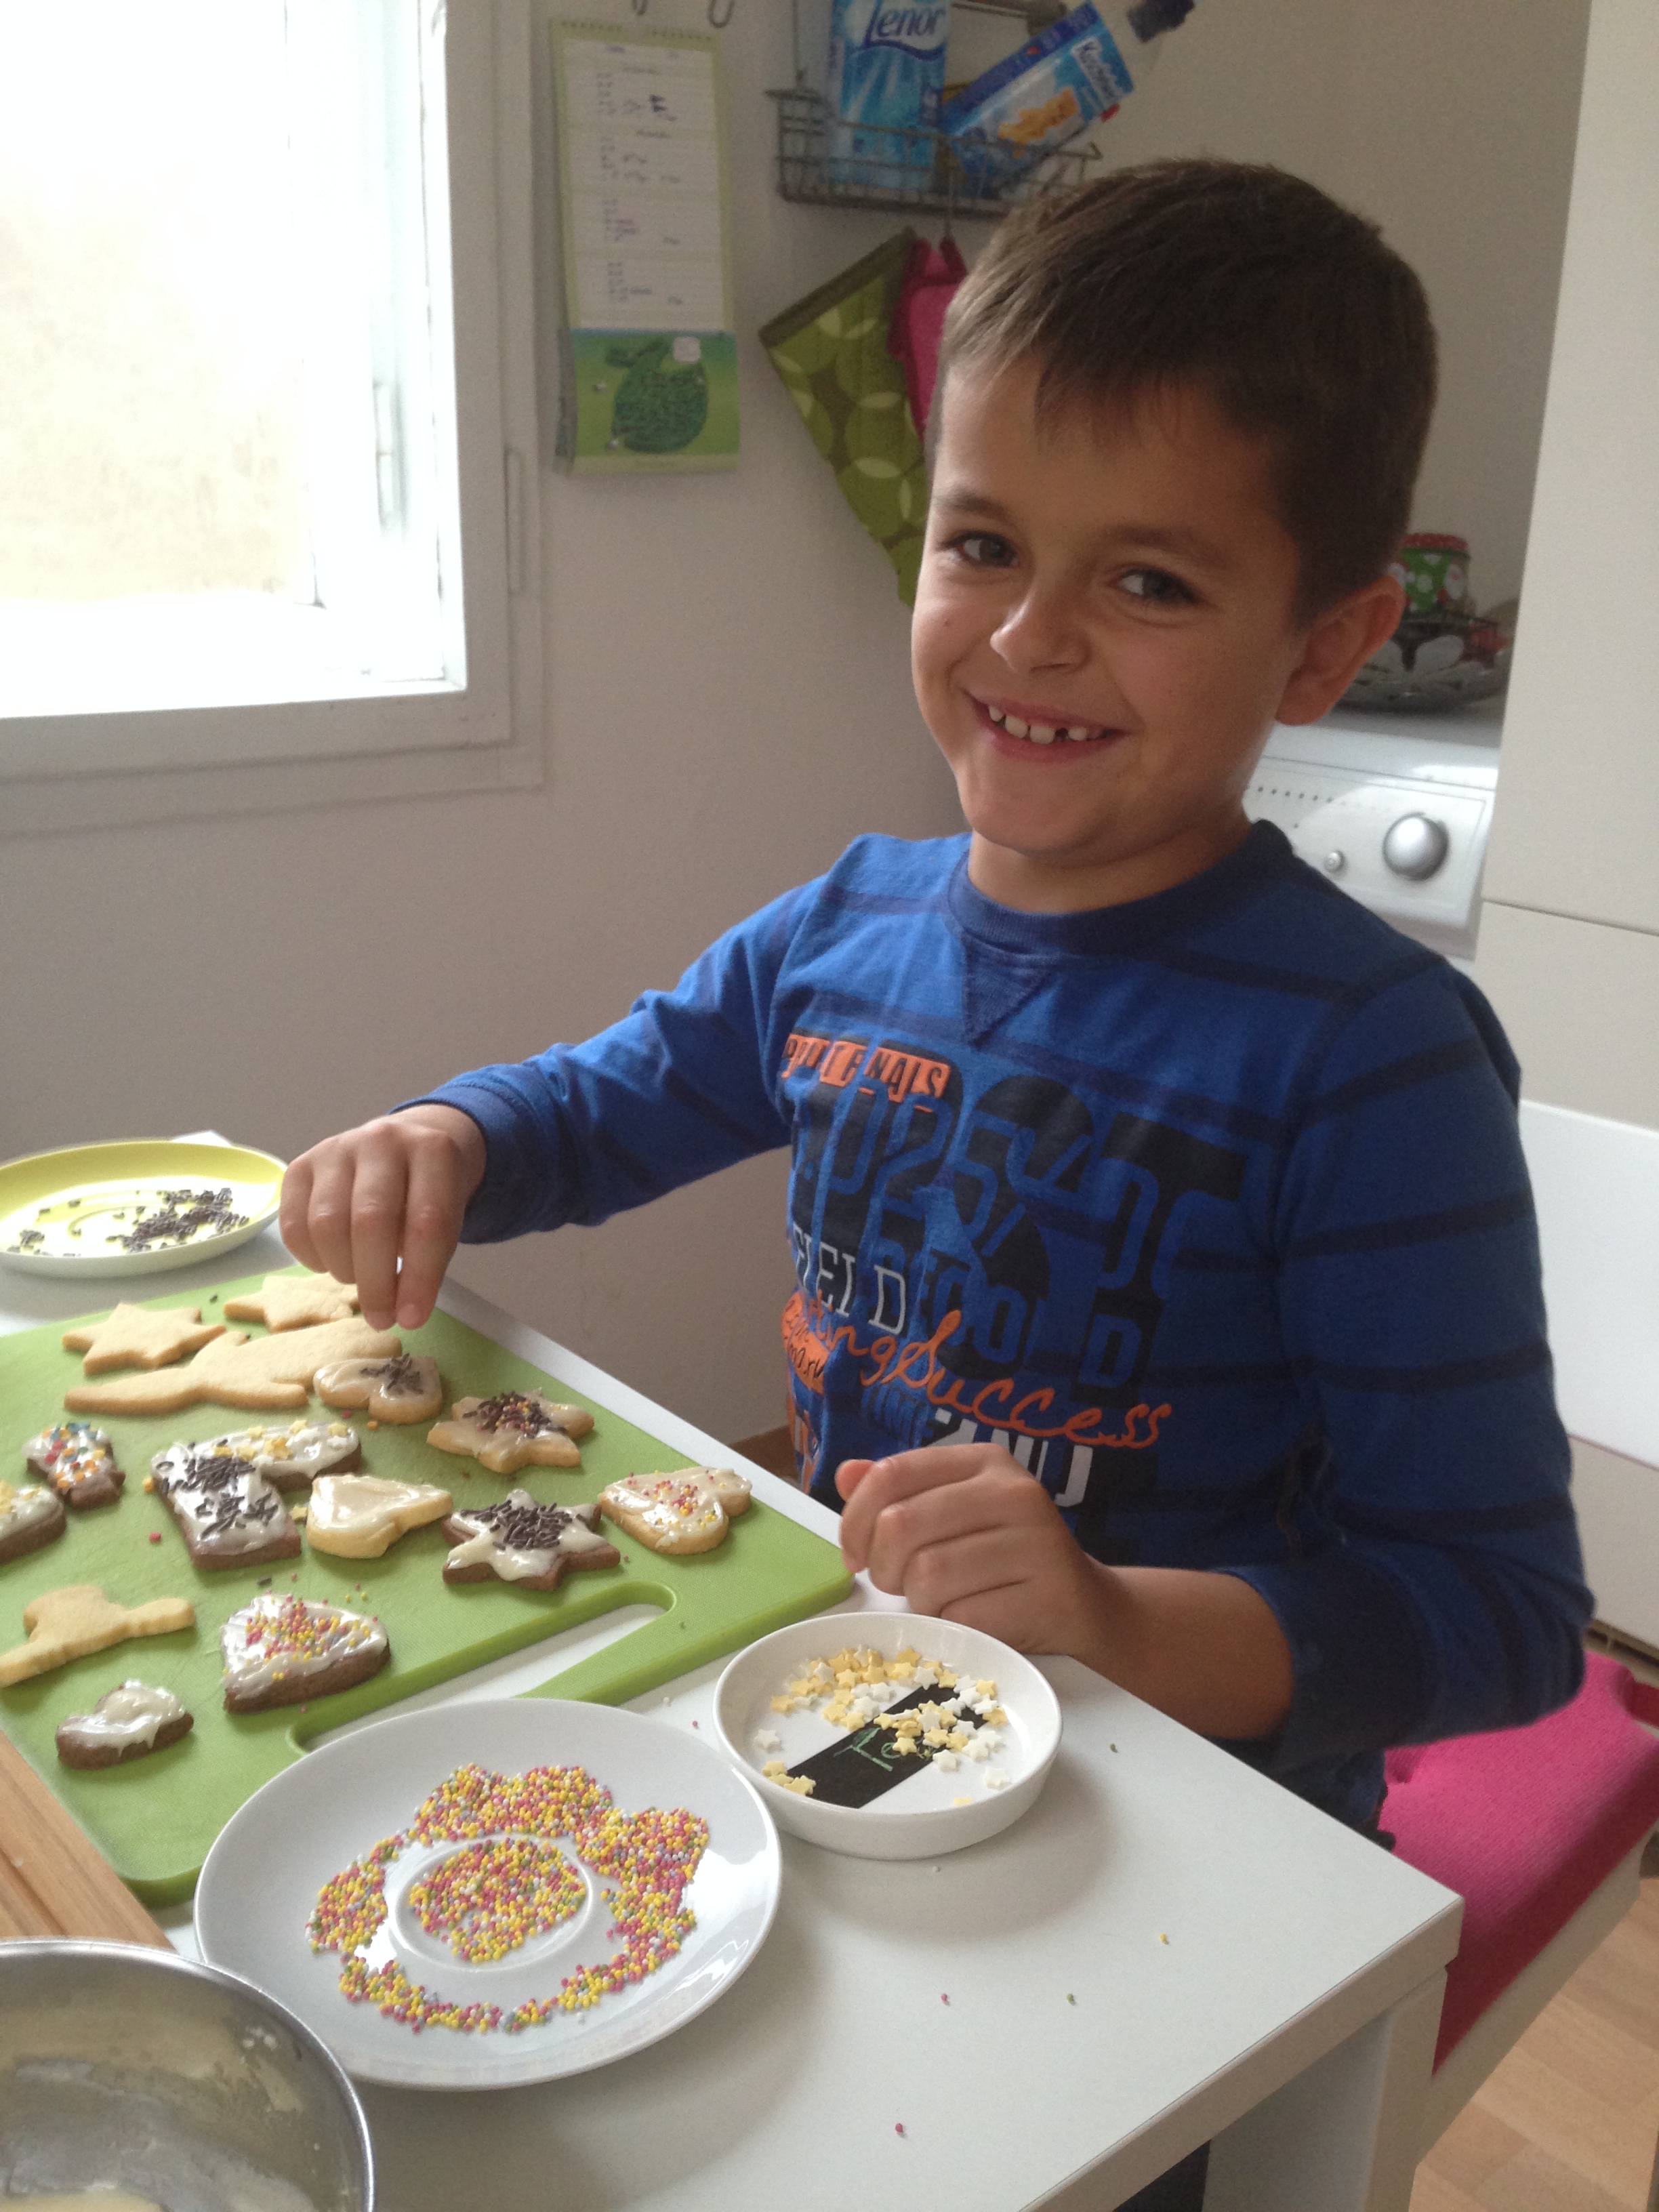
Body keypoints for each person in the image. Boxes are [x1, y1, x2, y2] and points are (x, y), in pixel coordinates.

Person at [283, 157, 1588, 2212]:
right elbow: (613, 1099)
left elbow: (1501, 1620)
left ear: (1325, 645)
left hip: (1190, 1844)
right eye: (981, 542)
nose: (1031, 635)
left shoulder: (1368, 1065)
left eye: (1151, 582)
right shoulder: (846, 929)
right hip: (849, 1716)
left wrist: (1111, 1616)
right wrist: (447, 1136)